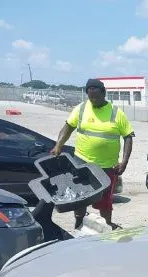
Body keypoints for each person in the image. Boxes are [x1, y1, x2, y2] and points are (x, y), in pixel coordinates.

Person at [51, 78, 134, 229]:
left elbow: (128, 136)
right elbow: (68, 127)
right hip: (82, 162)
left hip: (107, 166)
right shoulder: (81, 108)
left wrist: (124, 161)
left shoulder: (116, 113)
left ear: (104, 93)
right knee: (80, 196)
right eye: (90, 97)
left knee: (105, 200)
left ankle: (107, 225)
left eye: (96, 96)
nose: (93, 100)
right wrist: (58, 145)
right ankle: (79, 223)